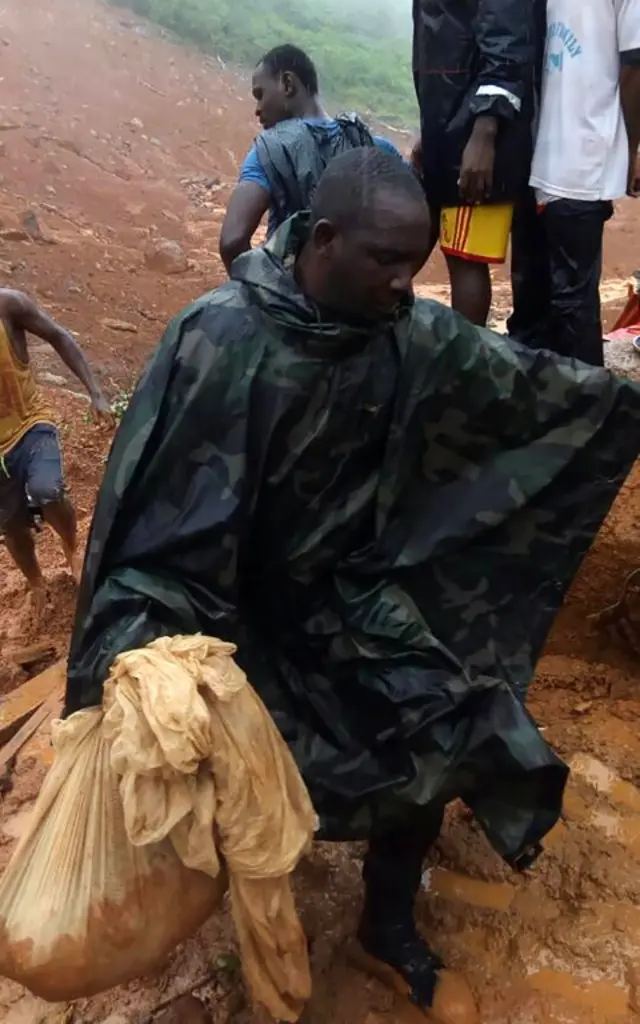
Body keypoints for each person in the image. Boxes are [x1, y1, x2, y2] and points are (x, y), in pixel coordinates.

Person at [66, 150, 640, 1020]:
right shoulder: (220, 341)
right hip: (220, 614)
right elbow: (148, 517)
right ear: (323, 240)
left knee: (445, 714)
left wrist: (624, 398)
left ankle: (385, 923)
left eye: (415, 267)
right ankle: (236, 904)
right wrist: (146, 652)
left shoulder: (400, 328)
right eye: (387, 263)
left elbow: (526, 386)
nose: (407, 285)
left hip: (347, 597)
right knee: (205, 761)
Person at [509, 0, 640, 366]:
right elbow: (635, 68)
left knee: (539, 295)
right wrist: (630, 150)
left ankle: (558, 403)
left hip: (545, 154)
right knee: (570, 300)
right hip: (580, 153)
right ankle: (586, 408)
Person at [219, 44, 403, 273]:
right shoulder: (376, 148)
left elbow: (232, 242)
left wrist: (268, 293)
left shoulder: (270, 149)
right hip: (361, 299)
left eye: (260, 94)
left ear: (287, 83)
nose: (257, 109)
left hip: (292, 298)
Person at [411, 0, 539, 325]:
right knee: (437, 246)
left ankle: (464, 368)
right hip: (448, 127)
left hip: (477, 135)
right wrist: (430, 132)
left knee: (465, 257)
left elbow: (506, 48)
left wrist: (485, 131)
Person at [0, 288, 112, 610]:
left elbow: (59, 336)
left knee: (47, 489)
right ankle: (36, 583)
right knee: (12, 527)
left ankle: (71, 547)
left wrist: (95, 391)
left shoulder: (8, 305)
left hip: (31, 425)